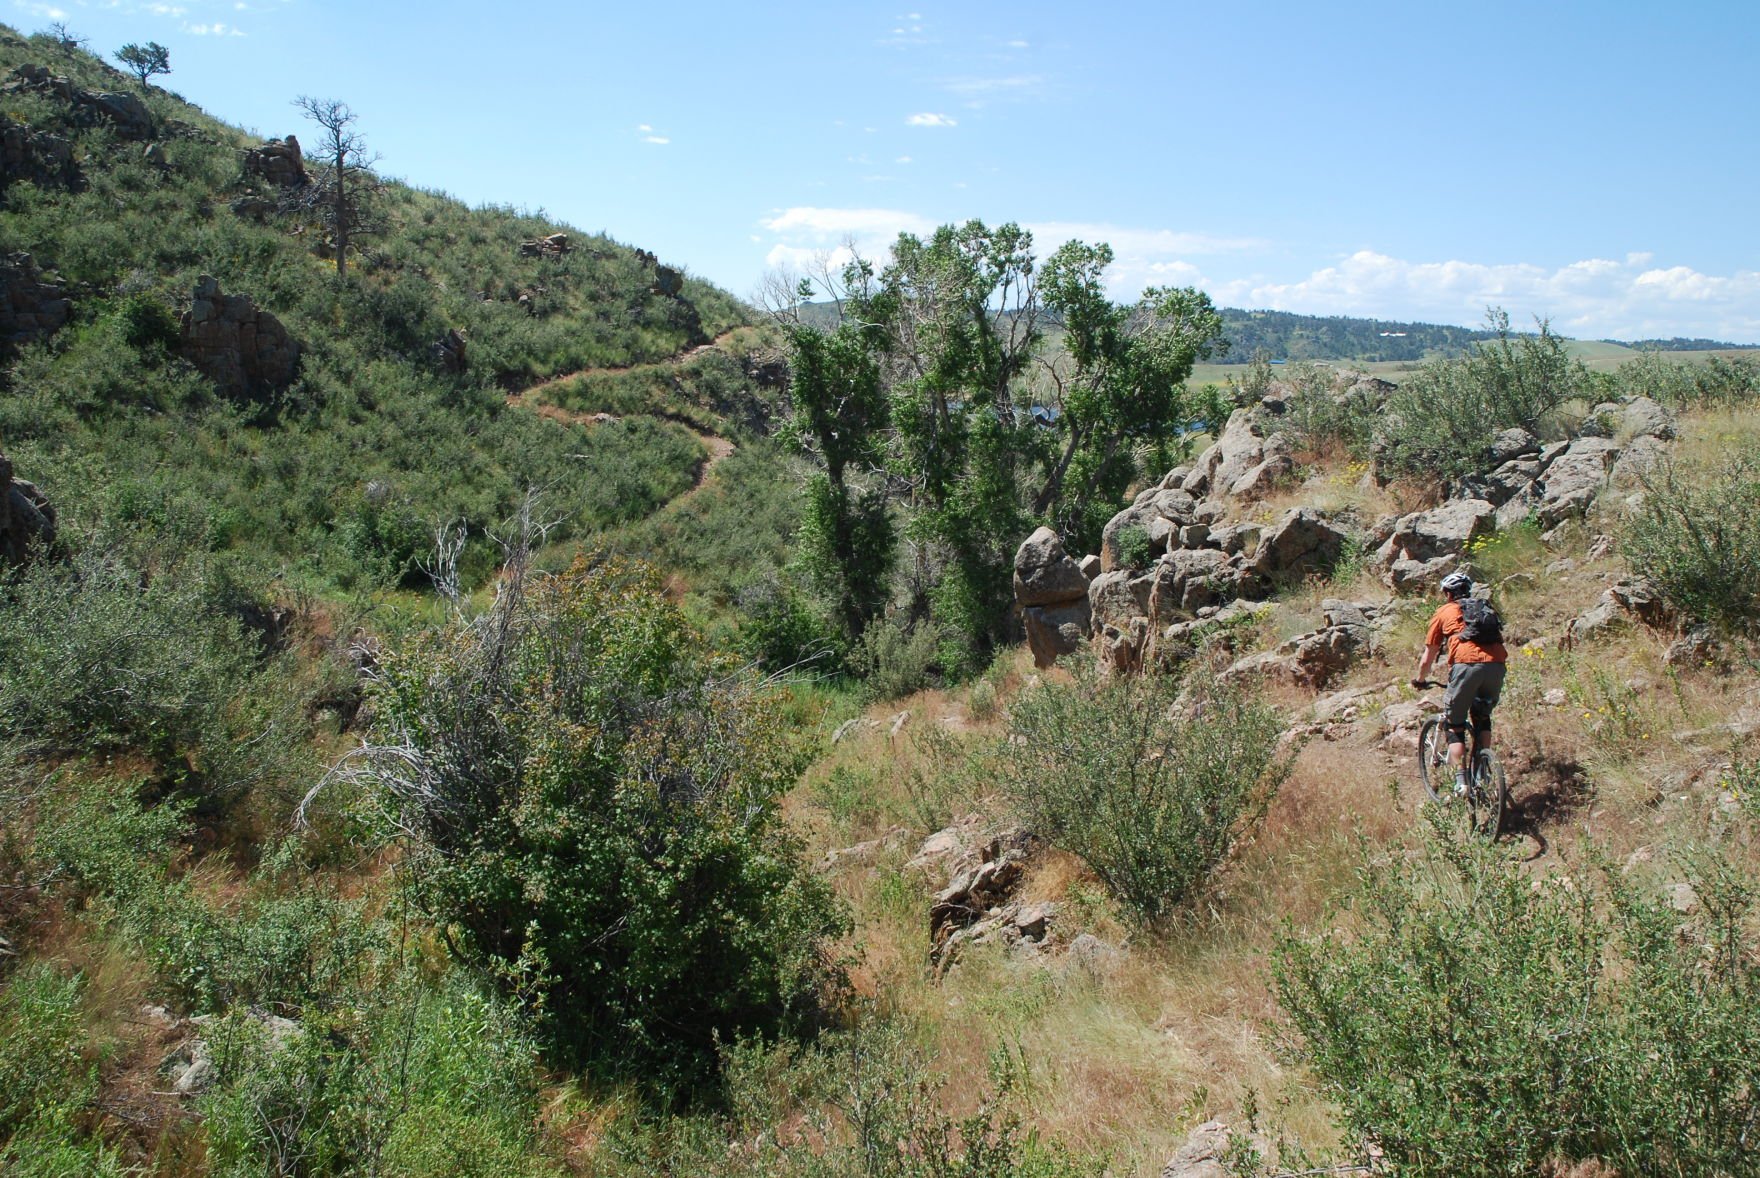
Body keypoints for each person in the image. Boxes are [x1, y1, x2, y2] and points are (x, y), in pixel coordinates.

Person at [1413, 570, 1507, 796]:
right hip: (1496, 665)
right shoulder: (1485, 608)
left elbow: (1428, 656)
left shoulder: (1444, 612)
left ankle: (1461, 784)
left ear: (1447, 594)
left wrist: (1420, 679)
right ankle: (1483, 772)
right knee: (1482, 717)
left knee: (1455, 725)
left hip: (1465, 666)